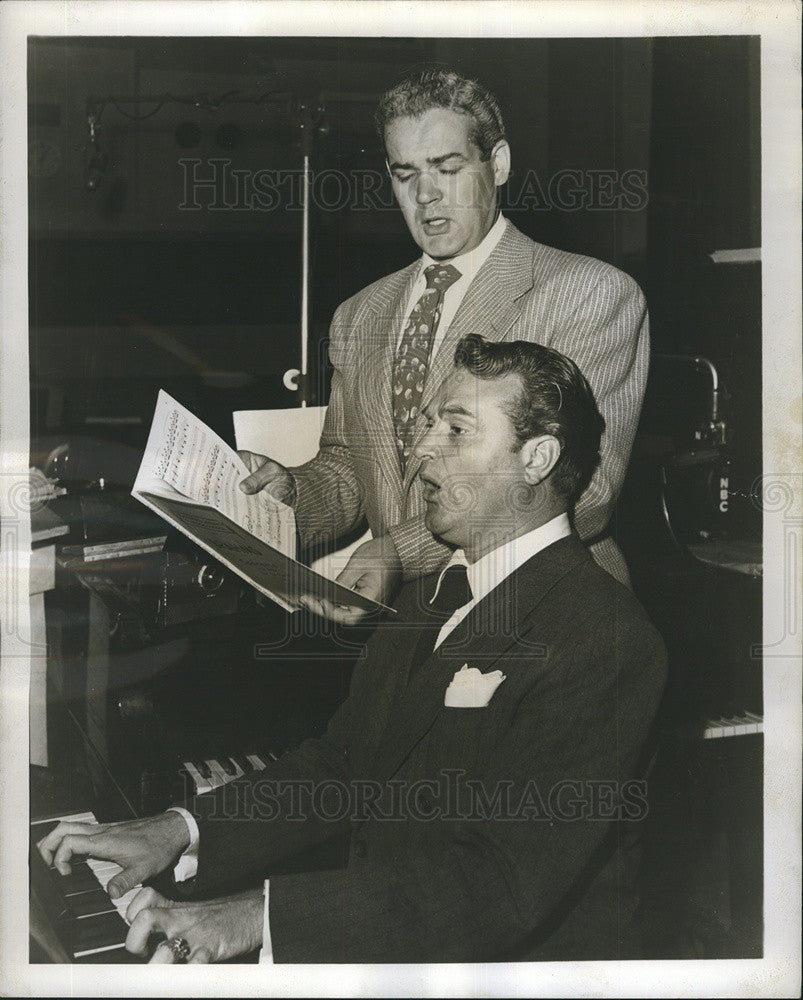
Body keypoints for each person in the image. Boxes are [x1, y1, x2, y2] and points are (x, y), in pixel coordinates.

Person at [39, 336, 667, 964]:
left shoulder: (604, 636)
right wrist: (179, 829)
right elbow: (344, 764)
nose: (421, 451)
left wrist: (262, 916)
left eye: (456, 429)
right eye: (427, 426)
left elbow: (499, 887)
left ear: (536, 459)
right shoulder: (427, 598)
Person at [237, 67, 650, 621]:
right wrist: (288, 497)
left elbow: (583, 492)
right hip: (402, 625)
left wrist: (401, 554)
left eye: (447, 168)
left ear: (497, 164)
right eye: (405, 174)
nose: (426, 195)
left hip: (547, 608)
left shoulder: (590, 293)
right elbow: (349, 467)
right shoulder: (358, 315)